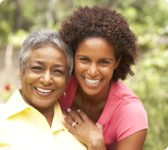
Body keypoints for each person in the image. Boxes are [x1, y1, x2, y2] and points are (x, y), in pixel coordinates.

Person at [57, 5, 148, 150]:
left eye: (103, 62)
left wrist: (97, 145)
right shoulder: (59, 87)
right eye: (84, 60)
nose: (93, 71)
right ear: (73, 56)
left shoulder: (131, 113)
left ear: (117, 61)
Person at [0, 30, 86, 150]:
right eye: (37, 68)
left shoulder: (80, 131)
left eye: (57, 71)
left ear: (66, 79)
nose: (46, 80)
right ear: (21, 71)